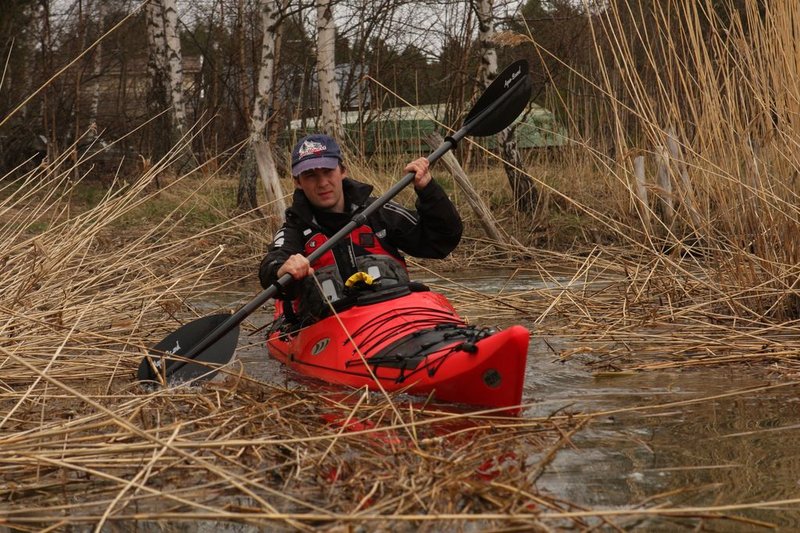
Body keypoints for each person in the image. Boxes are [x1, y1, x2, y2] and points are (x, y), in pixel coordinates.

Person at [259, 133, 463, 324]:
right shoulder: (294, 228)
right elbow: (271, 265)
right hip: (330, 330)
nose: (322, 183)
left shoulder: (378, 212)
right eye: (311, 175)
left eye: (328, 171)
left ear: (343, 171)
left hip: (392, 319)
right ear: (298, 182)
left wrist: (428, 190)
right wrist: (281, 270)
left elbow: (441, 240)